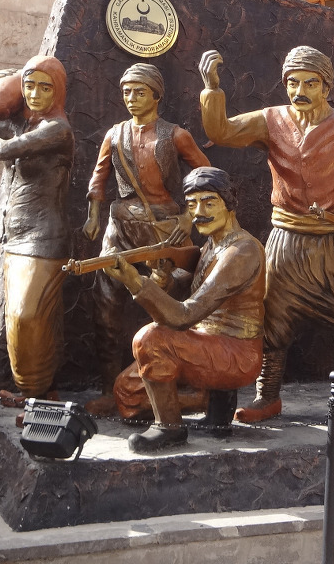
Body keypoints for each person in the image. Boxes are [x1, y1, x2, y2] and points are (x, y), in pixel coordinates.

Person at [198, 45, 334, 421]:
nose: (299, 90)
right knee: (272, 320)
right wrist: (211, 89)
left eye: (310, 83)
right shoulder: (270, 120)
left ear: (327, 87)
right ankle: (267, 395)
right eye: (292, 82)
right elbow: (220, 131)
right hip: (286, 241)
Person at [104, 167, 265, 453]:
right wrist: (164, 276)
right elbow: (183, 290)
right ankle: (207, 402)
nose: (198, 212)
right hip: (208, 343)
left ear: (230, 203)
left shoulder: (242, 251)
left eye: (209, 203)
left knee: (150, 339)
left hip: (236, 353)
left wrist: (134, 281)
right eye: (191, 205)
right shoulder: (212, 246)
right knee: (127, 394)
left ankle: (169, 428)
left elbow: (184, 315)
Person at [82, 63, 210, 415]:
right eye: (126, 92)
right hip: (121, 228)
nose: (132, 98)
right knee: (106, 305)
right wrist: (93, 216)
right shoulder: (115, 134)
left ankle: (175, 385)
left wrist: (188, 217)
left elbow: (207, 177)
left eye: (139, 92)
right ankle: (111, 388)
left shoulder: (176, 135)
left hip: (164, 228)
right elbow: (98, 178)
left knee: (171, 302)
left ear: (156, 96)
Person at [0, 56, 74, 406]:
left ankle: (37, 392)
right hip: (15, 237)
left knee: (29, 316)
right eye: (29, 86)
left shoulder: (57, 130)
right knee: (20, 320)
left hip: (44, 238)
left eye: (45, 87)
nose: (35, 94)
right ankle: (34, 393)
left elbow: (2, 150)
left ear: (58, 92)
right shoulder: (24, 124)